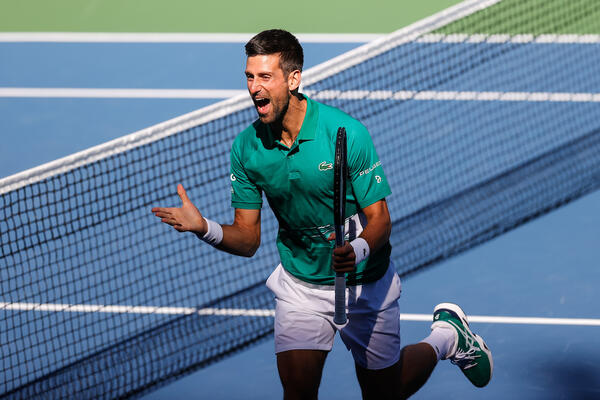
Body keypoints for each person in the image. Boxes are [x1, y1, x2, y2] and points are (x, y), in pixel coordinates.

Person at [152, 29, 492, 399]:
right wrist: (204, 227)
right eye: (249, 77)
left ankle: (446, 338)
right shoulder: (247, 148)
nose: (254, 88)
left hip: (365, 283)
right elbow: (247, 239)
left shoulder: (345, 133)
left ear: (293, 79)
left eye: (265, 76)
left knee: (385, 393)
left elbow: (381, 220)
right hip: (302, 287)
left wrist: (357, 250)